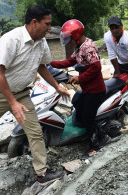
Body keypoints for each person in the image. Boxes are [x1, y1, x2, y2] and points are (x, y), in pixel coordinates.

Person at [0, 5, 70, 186]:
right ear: (34, 22)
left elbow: (42, 66)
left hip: (21, 94)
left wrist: (57, 87)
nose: (49, 28)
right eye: (47, 24)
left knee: (35, 132)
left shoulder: (41, 42)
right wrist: (12, 103)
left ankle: (41, 174)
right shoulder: (11, 40)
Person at [49, 19, 110, 158]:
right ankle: (102, 135)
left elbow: (96, 67)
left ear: (76, 36)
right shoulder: (79, 47)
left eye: (70, 38)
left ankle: (95, 146)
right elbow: (69, 61)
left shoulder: (88, 47)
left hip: (96, 90)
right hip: (88, 89)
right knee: (78, 104)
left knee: (88, 118)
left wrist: (79, 78)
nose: (69, 41)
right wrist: (50, 63)